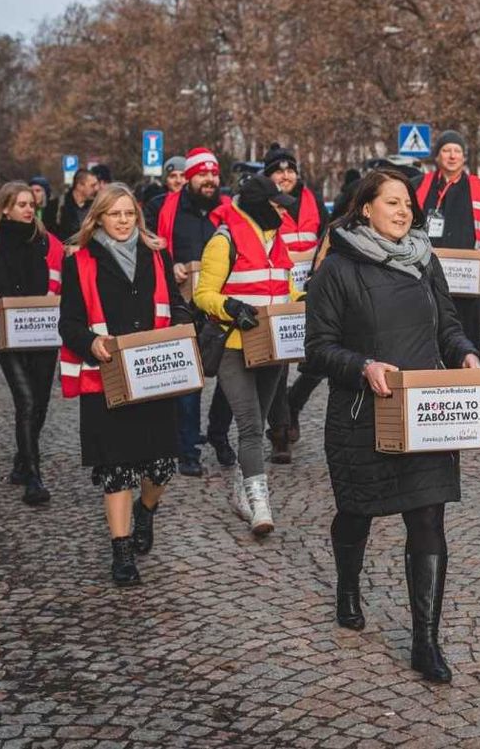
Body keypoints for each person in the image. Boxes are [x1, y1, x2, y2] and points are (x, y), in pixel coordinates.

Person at [305, 168, 480, 684]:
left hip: (424, 413)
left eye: (408, 204)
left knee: (428, 519)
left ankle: (426, 641)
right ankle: (347, 585)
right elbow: (317, 348)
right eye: (392, 203)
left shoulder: (426, 260)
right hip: (363, 415)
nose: (404, 211)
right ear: (365, 208)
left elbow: (447, 325)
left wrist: (466, 353)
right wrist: (364, 367)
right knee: (357, 514)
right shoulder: (336, 269)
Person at [58, 183, 191, 586]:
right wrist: (91, 342)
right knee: (116, 469)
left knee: (161, 466)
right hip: (106, 379)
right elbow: (69, 324)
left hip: (153, 376)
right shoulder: (79, 259)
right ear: (98, 217)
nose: (122, 221)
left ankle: (146, 511)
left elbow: (174, 302)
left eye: (129, 213)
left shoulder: (156, 253)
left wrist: (186, 325)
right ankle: (121, 553)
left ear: (138, 216)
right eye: (114, 214)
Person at [194, 174, 300, 536]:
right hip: (233, 347)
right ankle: (259, 504)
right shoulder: (224, 241)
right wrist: (231, 306)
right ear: (257, 205)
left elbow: (286, 289)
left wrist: (306, 304)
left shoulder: (278, 241)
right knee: (251, 425)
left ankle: (242, 489)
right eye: (275, 206)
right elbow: (202, 294)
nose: (281, 212)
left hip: (273, 347)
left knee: (261, 421)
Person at [0, 182, 65, 504]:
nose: (29, 209)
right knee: (25, 402)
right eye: (21, 204)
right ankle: (34, 478)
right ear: (6, 208)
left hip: (43, 333)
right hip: (9, 334)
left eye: (30, 203)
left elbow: (67, 273)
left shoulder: (47, 243)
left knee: (39, 404)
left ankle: (20, 461)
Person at [143, 147, 233, 476]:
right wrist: (171, 266)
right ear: (189, 178)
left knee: (231, 375)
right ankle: (188, 448)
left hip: (223, 306)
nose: (209, 180)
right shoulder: (161, 208)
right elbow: (147, 247)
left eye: (214, 174)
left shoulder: (228, 209)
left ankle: (219, 433)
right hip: (181, 306)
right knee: (188, 377)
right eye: (202, 175)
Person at [258, 143, 328, 463]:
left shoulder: (313, 200)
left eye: (290, 170)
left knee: (320, 356)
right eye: (278, 171)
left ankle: (295, 401)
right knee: (279, 363)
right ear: (268, 175)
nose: (285, 175)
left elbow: (327, 236)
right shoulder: (262, 202)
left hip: (313, 287)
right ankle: (280, 433)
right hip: (278, 286)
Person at [412, 130, 480, 350]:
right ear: (437, 156)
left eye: (457, 151)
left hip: (467, 283)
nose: (452, 156)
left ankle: (465, 379)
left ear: (464, 157)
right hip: (424, 277)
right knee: (425, 336)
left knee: (466, 340)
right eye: (446, 150)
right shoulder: (418, 186)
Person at [48, 168, 100, 241]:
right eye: (93, 185)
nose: (97, 189)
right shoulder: (56, 205)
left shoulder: (96, 207)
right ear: (79, 186)